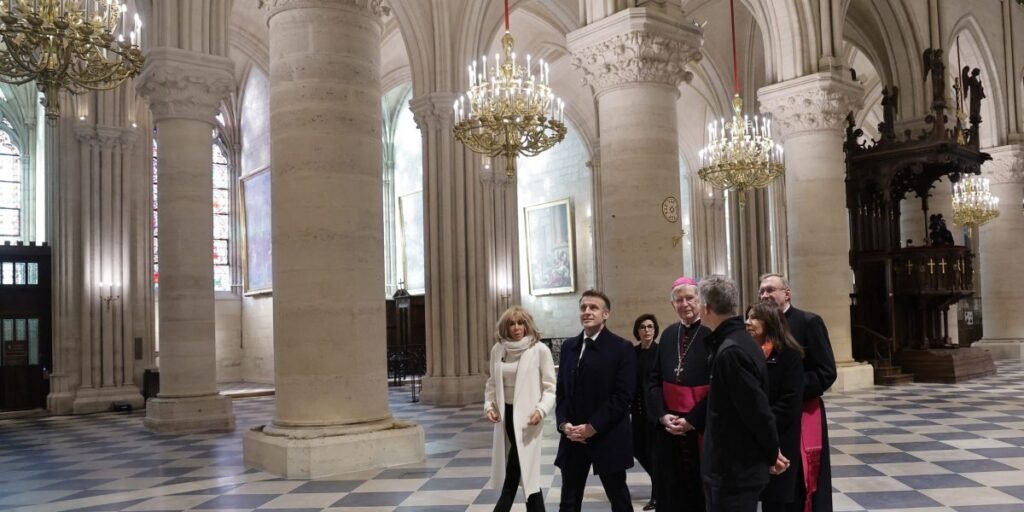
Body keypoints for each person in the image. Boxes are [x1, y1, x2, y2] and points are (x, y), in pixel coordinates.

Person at [699, 275, 787, 512]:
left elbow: (757, 410)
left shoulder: (731, 351)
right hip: (735, 466)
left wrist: (772, 453)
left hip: (733, 468)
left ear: (706, 308)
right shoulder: (739, 341)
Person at [759, 273, 838, 512]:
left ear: (787, 293)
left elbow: (826, 371)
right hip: (770, 413)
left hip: (803, 413)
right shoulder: (759, 326)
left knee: (800, 479)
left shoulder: (808, 322)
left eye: (771, 290)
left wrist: (791, 392)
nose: (765, 295)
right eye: (761, 291)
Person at [555, 290, 636, 512]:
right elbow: (561, 392)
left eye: (593, 307)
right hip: (573, 437)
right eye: (583, 308)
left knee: (619, 499)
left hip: (607, 435)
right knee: (569, 501)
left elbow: (623, 397)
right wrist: (564, 425)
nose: (587, 312)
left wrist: (592, 427)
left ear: (606, 314)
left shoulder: (621, 348)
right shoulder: (568, 347)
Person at [647, 276, 711, 511]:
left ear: (700, 299)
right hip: (669, 427)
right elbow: (653, 380)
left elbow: (720, 388)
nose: (684, 304)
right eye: (678, 300)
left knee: (698, 489)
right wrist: (662, 415)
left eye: (689, 298)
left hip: (700, 427)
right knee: (670, 487)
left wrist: (692, 420)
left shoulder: (710, 334)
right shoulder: (667, 334)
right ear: (672, 305)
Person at [484, 306, 557, 512]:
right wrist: (489, 405)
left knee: (518, 464)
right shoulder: (498, 350)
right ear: (505, 327)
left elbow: (550, 387)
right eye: (512, 323)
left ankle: (502, 507)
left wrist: (541, 410)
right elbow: (491, 383)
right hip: (506, 415)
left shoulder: (539, 350)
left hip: (529, 418)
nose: (517, 328)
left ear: (528, 324)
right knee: (526, 468)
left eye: (521, 323)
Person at [746, 302, 806, 512]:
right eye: (748, 316)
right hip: (754, 436)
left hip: (780, 435)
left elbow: (790, 401)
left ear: (769, 322)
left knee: (777, 499)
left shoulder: (789, 354)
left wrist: (763, 423)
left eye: (754, 317)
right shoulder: (747, 352)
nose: (748, 322)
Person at [631, 313, 661, 511]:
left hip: (654, 412)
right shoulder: (632, 353)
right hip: (637, 411)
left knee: (654, 454)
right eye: (643, 327)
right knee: (637, 449)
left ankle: (657, 494)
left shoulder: (660, 351)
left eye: (650, 327)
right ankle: (661, 483)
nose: (647, 330)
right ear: (637, 331)